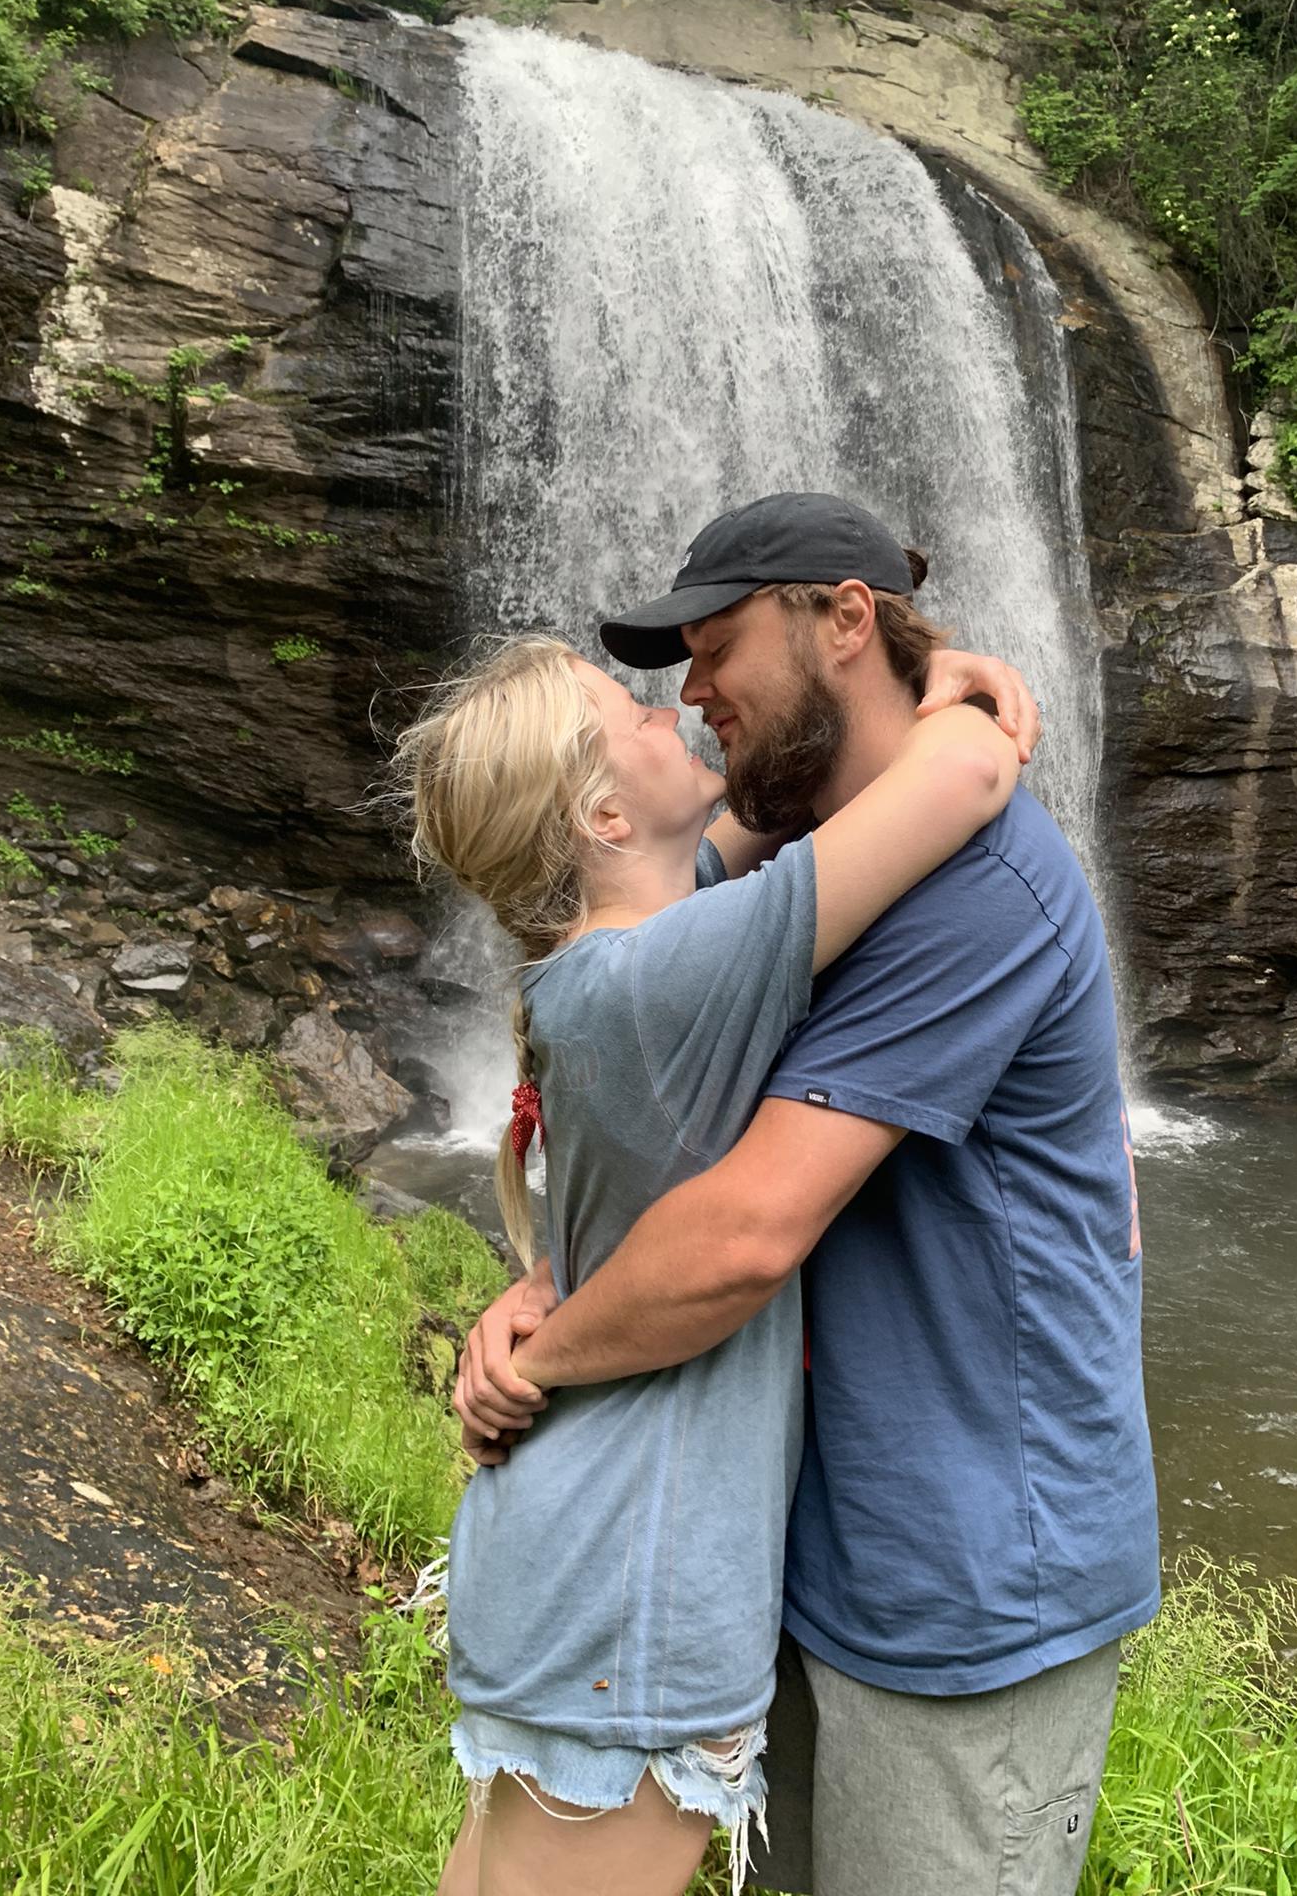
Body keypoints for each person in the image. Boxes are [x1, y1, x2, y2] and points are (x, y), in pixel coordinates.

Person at [458, 492, 1160, 1896]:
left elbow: (740, 1235)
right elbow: (667, 1145)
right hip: (811, 1553)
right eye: (673, 681)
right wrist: (554, 1281)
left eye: (716, 651)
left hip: (970, 1578)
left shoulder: (975, 884)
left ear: (845, 619)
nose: (695, 696)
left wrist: (545, 1354)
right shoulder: (787, 878)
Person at [395, 610, 1027, 1896]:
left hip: (575, 1547)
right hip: (634, 1576)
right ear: (603, 822)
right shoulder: (676, 973)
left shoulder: (613, 962)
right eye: (626, 715)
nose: (669, 707)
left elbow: (761, 829)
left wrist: (926, 675)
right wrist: (952, 687)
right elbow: (964, 773)